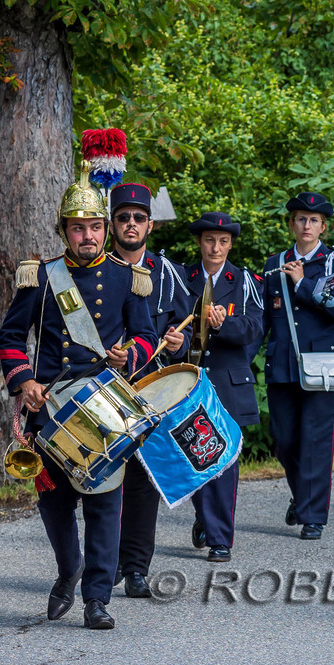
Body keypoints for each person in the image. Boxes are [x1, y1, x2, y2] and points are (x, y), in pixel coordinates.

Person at [0, 138, 156, 631]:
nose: (86, 235)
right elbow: (9, 336)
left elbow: (149, 336)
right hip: (50, 403)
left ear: (104, 229)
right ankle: (69, 571)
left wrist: (129, 354)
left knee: (106, 504)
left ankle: (97, 598)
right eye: (77, 227)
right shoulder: (41, 277)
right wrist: (24, 381)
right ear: (64, 231)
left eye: (93, 226)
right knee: (57, 502)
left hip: (105, 401)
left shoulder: (127, 277)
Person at [106, 178, 189, 598]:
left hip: (148, 388)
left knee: (142, 482)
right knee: (101, 478)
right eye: (123, 218)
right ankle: (105, 563)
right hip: (100, 389)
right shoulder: (96, 268)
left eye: (139, 218)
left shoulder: (170, 274)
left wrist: (179, 343)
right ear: (112, 223)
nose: (131, 224)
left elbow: (188, 333)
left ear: (150, 226)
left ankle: (136, 567)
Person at [261, 192, 334, 540]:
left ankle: (313, 515)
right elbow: (264, 318)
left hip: (321, 365)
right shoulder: (275, 263)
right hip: (283, 363)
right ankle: (302, 496)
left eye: (314, 220)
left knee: (316, 442)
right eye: (301, 219)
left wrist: (303, 283)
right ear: (291, 224)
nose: (306, 225)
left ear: (323, 227)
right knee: (284, 440)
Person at [184, 212, 264, 561]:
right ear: (199, 243)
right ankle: (205, 517)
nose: (216, 248)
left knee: (224, 461)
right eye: (209, 241)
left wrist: (223, 325)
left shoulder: (243, 279)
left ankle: (220, 540)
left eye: (223, 242)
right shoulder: (181, 276)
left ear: (230, 244)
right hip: (188, 380)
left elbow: (254, 328)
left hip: (227, 380)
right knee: (194, 457)